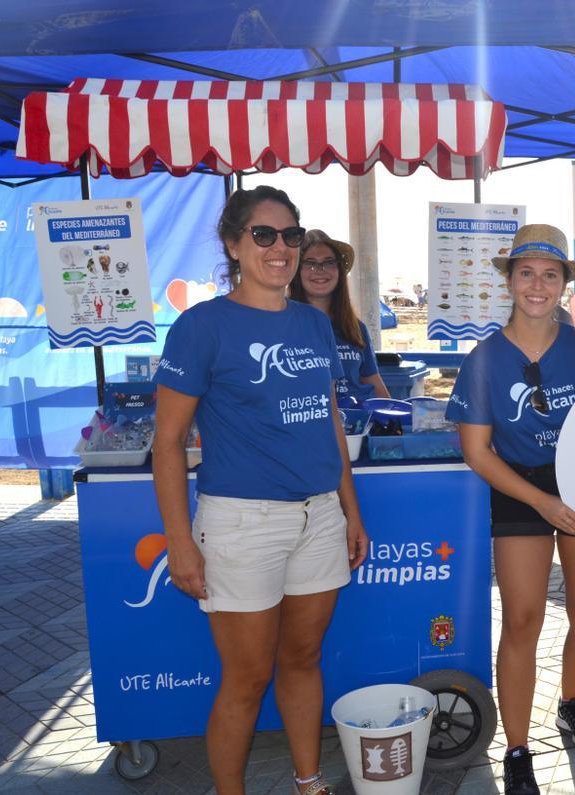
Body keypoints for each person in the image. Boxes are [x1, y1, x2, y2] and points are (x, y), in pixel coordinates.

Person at [152, 186, 369, 795]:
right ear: (234, 244)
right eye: (264, 235)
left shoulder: (311, 323)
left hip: (319, 518)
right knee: (246, 680)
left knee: (301, 662)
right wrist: (179, 540)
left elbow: (328, 422)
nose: (280, 248)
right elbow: (167, 444)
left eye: (291, 236)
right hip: (242, 524)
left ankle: (309, 782)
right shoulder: (201, 327)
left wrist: (350, 512)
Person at [446, 223, 575, 795]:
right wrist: (544, 502)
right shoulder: (484, 358)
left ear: (564, 283)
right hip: (520, 488)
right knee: (522, 620)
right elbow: (476, 451)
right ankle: (516, 748)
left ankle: (571, 703)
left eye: (550, 274)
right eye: (526, 273)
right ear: (510, 281)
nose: (537, 284)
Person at [289, 230, 392, 405]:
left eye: (328, 263)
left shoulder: (356, 328)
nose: (320, 270)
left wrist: (394, 418)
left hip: (359, 424)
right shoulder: (284, 325)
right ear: (297, 271)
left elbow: (375, 384)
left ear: (339, 270)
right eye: (310, 263)